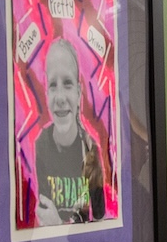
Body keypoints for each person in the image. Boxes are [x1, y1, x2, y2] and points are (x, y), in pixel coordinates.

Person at [32, 41, 111, 225]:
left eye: (67, 84)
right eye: (53, 85)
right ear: (46, 93)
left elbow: (100, 222)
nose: (60, 98)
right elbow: (45, 219)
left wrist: (61, 225)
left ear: (78, 93)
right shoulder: (41, 146)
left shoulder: (91, 151)